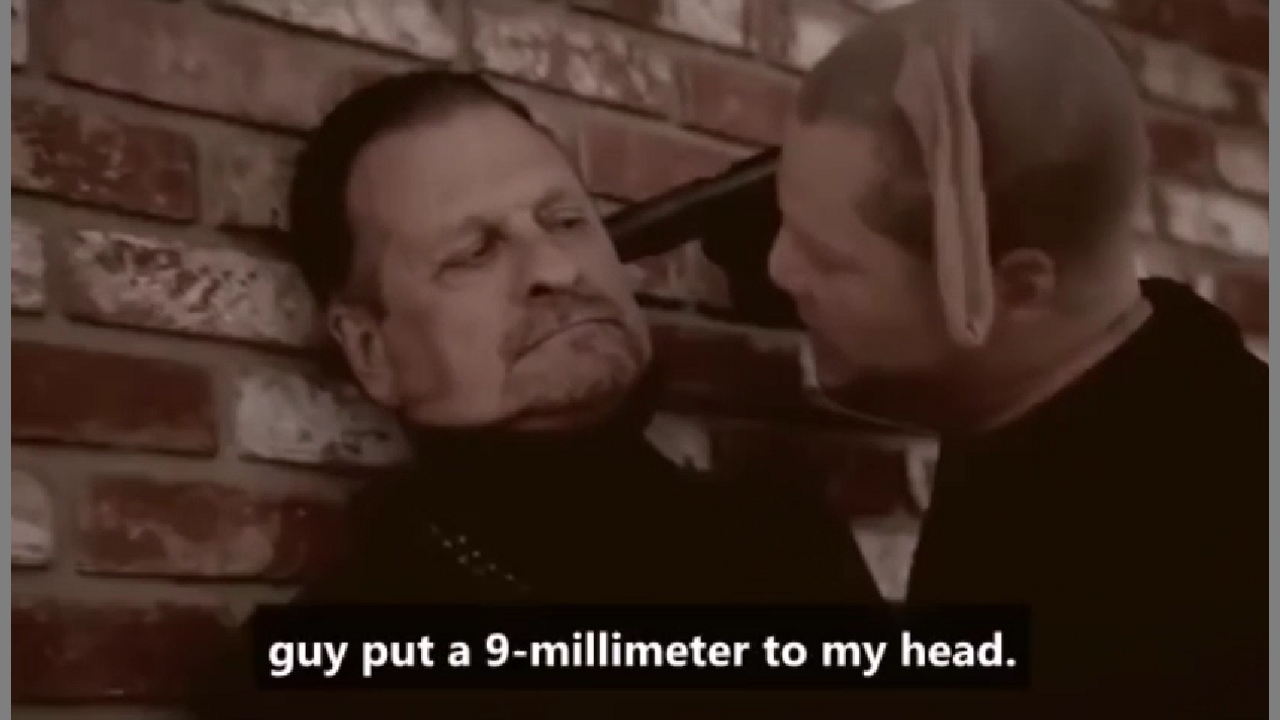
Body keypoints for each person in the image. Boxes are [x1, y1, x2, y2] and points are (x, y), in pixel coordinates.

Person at [186, 71, 878, 720]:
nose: (556, 268)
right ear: (373, 352)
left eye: (567, 221)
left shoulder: (791, 554)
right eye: (473, 252)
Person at [766, 0, 1268, 715]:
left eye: (826, 258)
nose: (779, 269)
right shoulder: (1125, 377)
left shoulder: (1157, 587)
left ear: (1022, 286)